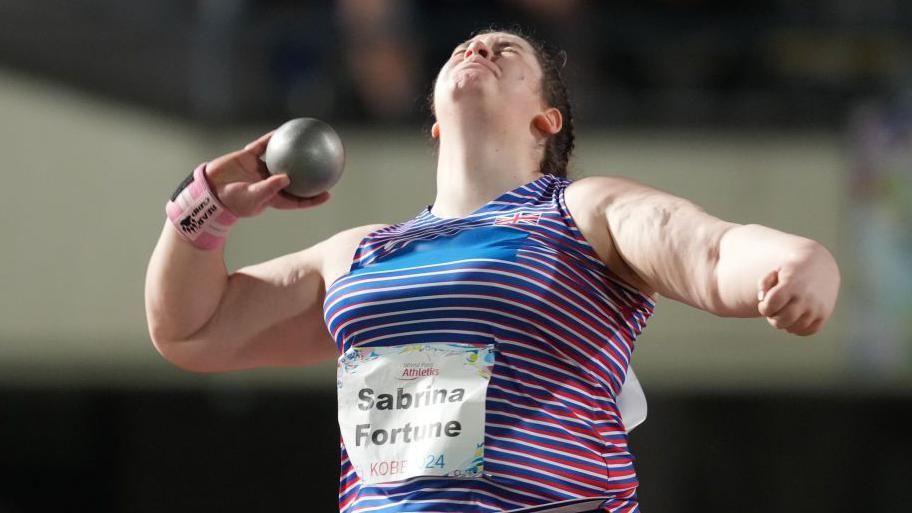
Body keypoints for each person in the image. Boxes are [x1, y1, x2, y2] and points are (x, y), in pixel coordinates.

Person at [145, 28, 841, 513]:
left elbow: (713, 252)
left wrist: (797, 263)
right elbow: (193, 326)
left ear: (547, 118)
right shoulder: (359, 253)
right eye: (463, 46)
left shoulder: (582, 212)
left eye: (505, 51)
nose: (477, 47)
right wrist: (205, 204)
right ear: (435, 126)